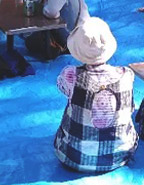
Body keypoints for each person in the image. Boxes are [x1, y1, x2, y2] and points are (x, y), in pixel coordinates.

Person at [54, 18, 137, 173]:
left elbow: (66, 92)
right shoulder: (126, 75)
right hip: (118, 157)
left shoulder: (71, 75)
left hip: (72, 158)